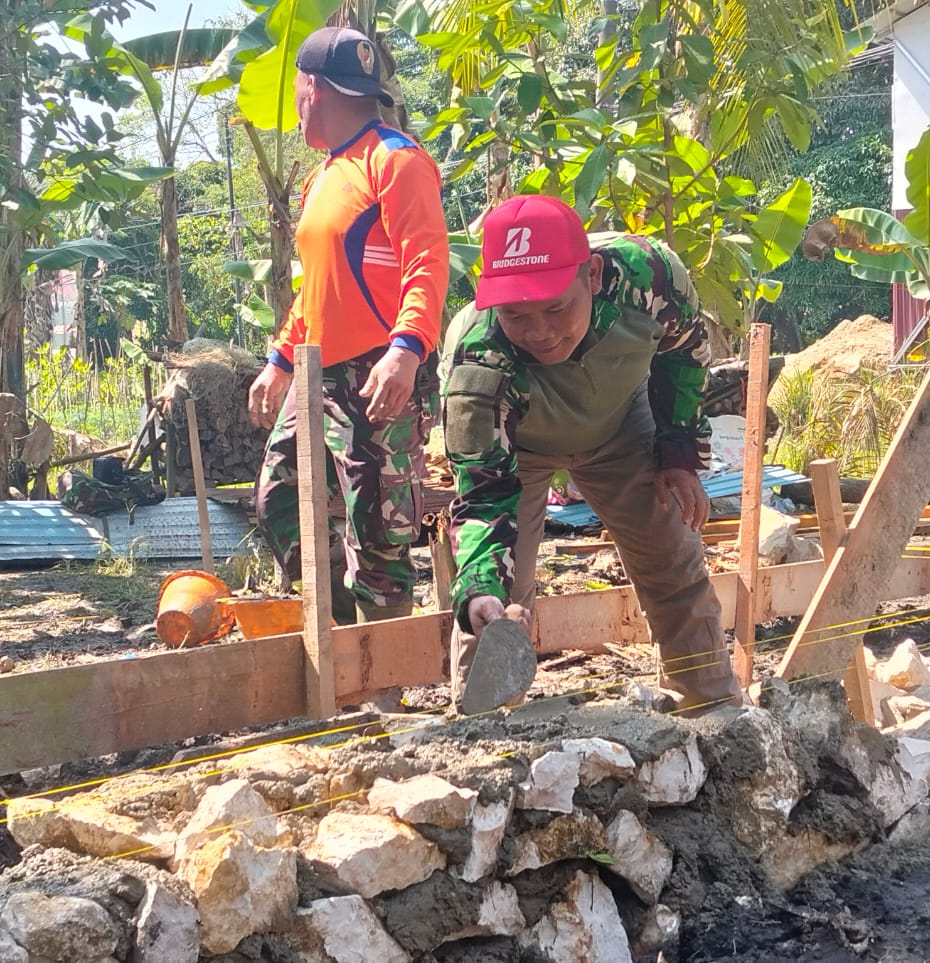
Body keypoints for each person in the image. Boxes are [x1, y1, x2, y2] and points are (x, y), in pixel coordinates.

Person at [442, 194, 743, 712]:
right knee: (496, 605)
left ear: (594, 276)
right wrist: (479, 590)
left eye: (556, 307)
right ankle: (486, 730)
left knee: (672, 558)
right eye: (515, 315)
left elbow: (685, 352)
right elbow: (484, 498)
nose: (540, 332)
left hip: (621, 424)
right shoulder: (477, 364)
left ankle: (713, 713)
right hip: (519, 450)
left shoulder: (651, 277)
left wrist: (678, 453)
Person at [248, 26, 449, 624]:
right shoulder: (323, 178)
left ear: (313, 88)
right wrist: (280, 360)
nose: (297, 102)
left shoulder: (397, 161)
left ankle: (385, 664)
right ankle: (345, 633)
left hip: (377, 371)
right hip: (316, 373)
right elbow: (315, 288)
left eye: (298, 89)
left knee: (379, 532)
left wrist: (406, 350)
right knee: (278, 500)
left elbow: (427, 262)